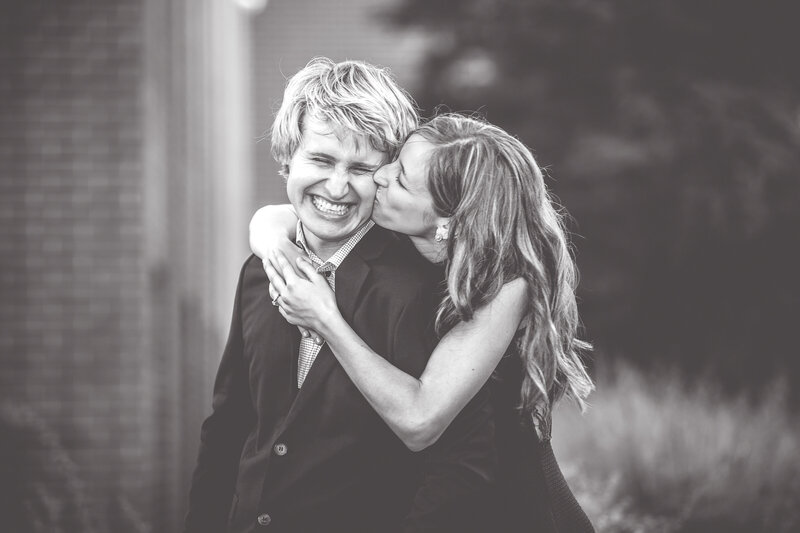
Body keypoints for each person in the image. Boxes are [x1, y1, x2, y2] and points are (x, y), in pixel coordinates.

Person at [184, 59, 497, 533]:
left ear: (387, 175)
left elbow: (461, 466)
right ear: (288, 156)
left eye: (360, 169)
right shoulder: (258, 270)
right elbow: (230, 427)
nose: (336, 187)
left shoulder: (422, 288)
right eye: (322, 160)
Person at [254, 113, 596, 532]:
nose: (380, 176)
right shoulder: (403, 240)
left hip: (502, 509)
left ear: (447, 220)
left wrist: (325, 318)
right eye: (394, 163)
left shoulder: (505, 285)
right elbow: (278, 214)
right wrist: (271, 239)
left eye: (400, 179)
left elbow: (420, 421)